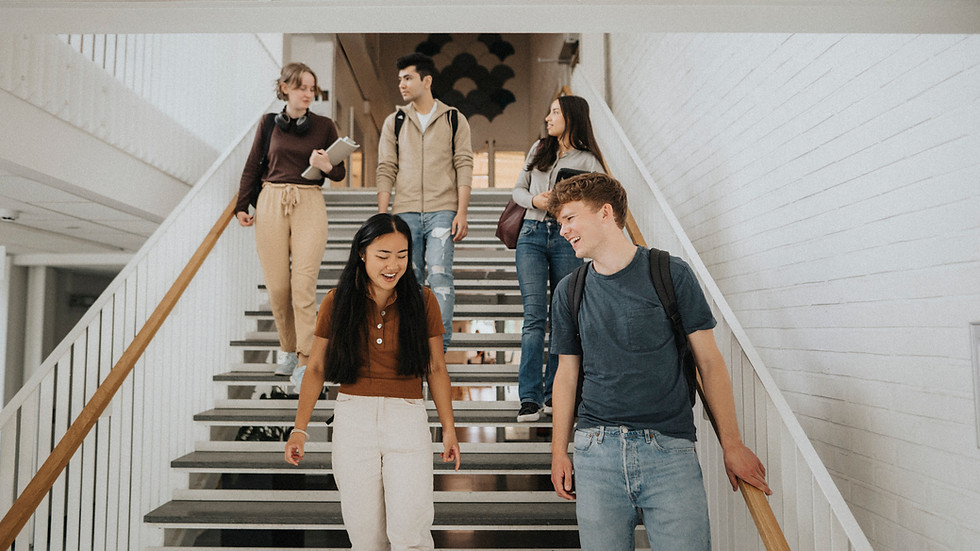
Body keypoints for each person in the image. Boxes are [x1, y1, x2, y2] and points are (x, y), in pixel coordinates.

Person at [546, 173, 771, 550]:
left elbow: (710, 363)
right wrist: (558, 452)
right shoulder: (570, 290)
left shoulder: (671, 273)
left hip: (669, 452)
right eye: (560, 223)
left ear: (605, 213)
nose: (563, 230)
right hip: (595, 452)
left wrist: (731, 444)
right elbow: (565, 376)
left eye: (569, 218)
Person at [284, 213, 461, 550]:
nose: (393, 265)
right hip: (353, 419)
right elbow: (317, 367)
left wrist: (449, 427)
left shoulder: (423, 301)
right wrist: (300, 428)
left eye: (402, 254)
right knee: (366, 537)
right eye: (383, 255)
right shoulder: (337, 301)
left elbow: (436, 368)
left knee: (411, 533)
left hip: (407, 418)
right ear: (362, 253)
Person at [236, 62, 346, 377]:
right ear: (285, 88)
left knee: (303, 283)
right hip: (271, 201)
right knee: (278, 287)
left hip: (309, 201)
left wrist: (325, 165)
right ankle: (288, 349)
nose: (308, 94)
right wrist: (242, 204)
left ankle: (306, 358)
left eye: (312, 89)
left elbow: (337, 173)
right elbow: (252, 166)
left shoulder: (324, 125)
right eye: (302, 88)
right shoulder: (268, 123)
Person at [511, 95, 606, 423]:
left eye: (555, 112)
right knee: (534, 317)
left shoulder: (589, 160)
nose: (548, 117)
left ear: (572, 116)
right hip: (531, 236)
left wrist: (571, 205)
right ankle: (529, 398)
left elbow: (601, 200)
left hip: (568, 240)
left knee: (562, 318)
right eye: (548, 111)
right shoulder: (539, 149)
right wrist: (536, 199)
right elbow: (517, 191)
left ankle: (555, 393)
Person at [376, 52, 474, 351]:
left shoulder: (454, 119)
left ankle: (438, 349)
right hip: (403, 211)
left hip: (442, 211)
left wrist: (462, 211)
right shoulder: (395, 121)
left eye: (408, 78)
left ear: (426, 80)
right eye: (400, 79)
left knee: (440, 275)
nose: (402, 84)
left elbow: (464, 163)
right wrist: (382, 217)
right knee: (409, 280)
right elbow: (386, 168)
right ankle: (411, 345)